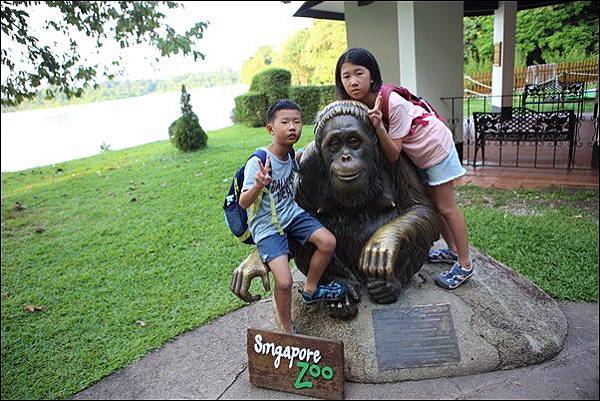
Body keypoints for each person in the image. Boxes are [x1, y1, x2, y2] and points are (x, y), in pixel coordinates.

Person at [334, 47, 474, 290]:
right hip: (417, 154)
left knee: (447, 207)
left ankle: (465, 264)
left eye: (359, 73)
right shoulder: (355, 104)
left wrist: (378, 127)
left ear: (372, 75)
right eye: (346, 76)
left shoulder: (392, 103)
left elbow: (392, 153)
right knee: (433, 206)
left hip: (434, 147)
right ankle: (452, 251)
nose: (353, 81)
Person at [239, 99, 346, 334]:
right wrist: (258, 185)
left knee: (328, 242)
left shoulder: (289, 155)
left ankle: (310, 289)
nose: (292, 127)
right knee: (285, 282)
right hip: (268, 227)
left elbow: (300, 161)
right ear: (270, 129)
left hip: (291, 214)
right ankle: (287, 327)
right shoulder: (258, 162)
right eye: (285, 122)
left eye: (297, 122)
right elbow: (244, 201)